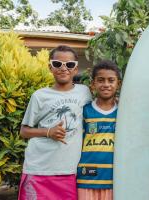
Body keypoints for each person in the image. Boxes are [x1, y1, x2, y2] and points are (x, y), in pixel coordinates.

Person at [18, 45, 92, 200]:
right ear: (50, 67)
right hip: (39, 169)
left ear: (76, 69)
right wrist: (48, 132)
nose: (63, 68)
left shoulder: (84, 92)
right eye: (58, 64)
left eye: (69, 65)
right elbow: (24, 131)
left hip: (68, 171)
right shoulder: (39, 96)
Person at [77, 60, 121, 200]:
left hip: (114, 180)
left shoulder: (124, 112)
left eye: (111, 80)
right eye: (101, 80)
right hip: (86, 179)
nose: (106, 85)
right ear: (93, 84)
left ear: (118, 84)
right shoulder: (84, 111)